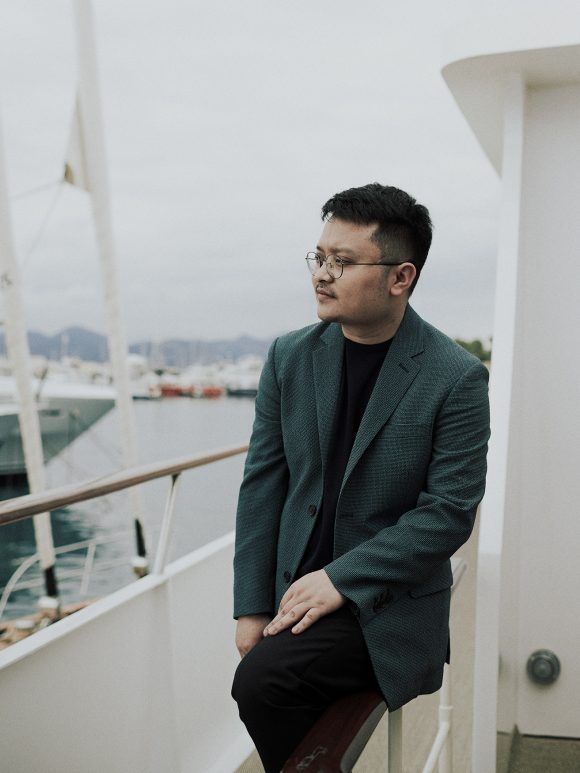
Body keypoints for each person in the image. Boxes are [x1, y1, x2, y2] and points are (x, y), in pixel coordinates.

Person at [231, 182, 490, 773]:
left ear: (401, 277)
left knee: (262, 683)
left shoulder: (456, 377)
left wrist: (340, 579)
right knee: (271, 680)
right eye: (319, 257)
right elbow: (262, 486)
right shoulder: (288, 356)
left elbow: (448, 513)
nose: (322, 275)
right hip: (294, 594)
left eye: (342, 262)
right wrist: (250, 606)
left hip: (385, 605)